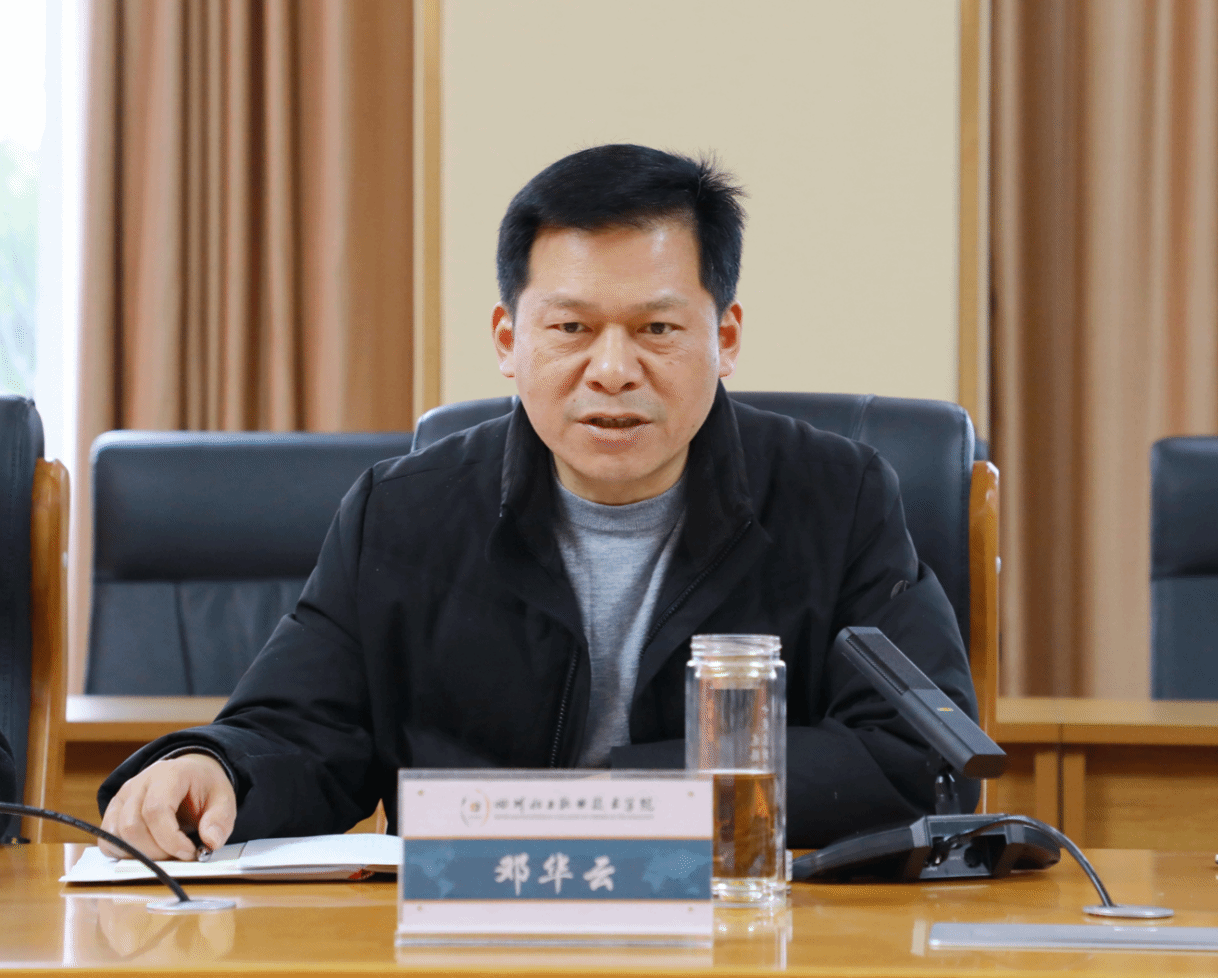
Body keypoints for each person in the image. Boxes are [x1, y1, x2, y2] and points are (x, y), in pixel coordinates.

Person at [98, 144, 978, 862]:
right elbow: (302, 731)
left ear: (726, 338)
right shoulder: (403, 516)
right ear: (508, 341)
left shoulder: (838, 498)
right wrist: (215, 766)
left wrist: (612, 800)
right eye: (571, 328)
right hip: (476, 933)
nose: (613, 369)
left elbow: (924, 754)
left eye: (658, 328)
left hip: (744, 931)